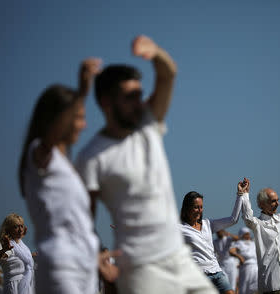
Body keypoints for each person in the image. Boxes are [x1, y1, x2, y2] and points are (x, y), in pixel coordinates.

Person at [75, 35, 216, 294]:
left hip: (181, 260)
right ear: (106, 101)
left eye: (140, 94)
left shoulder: (148, 125)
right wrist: (96, 261)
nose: (140, 102)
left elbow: (168, 74)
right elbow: (82, 220)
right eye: (130, 96)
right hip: (142, 270)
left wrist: (156, 52)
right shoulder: (91, 157)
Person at [18, 58, 118, 294]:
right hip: (62, 268)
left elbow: (77, 221)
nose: (83, 125)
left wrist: (99, 257)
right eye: (78, 117)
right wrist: (82, 93)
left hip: (84, 269)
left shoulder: (65, 167)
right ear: (55, 119)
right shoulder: (38, 155)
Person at [179, 183, 244, 294]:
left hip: (217, 272)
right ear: (187, 208)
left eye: (201, 207)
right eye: (196, 207)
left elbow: (233, 219)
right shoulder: (180, 228)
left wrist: (240, 194)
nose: (199, 210)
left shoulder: (208, 224)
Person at [0, 214, 34, 294]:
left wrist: (32, 255)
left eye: (22, 226)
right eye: (16, 227)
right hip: (14, 286)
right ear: (8, 229)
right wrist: (4, 250)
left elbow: (21, 257)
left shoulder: (21, 244)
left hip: (26, 284)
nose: (20, 229)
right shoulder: (7, 245)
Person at [229, 227, 258, 294]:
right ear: (242, 234)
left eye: (248, 234)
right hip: (246, 267)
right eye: (246, 234)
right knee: (245, 286)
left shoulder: (252, 243)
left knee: (256, 286)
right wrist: (239, 257)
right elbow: (231, 251)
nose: (248, 236)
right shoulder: (239, 243)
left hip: (256, 267)